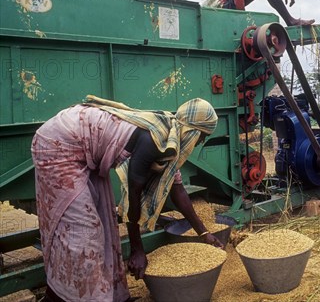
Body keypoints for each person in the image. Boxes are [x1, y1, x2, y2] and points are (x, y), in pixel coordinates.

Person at [31, 95, 223, 302]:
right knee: (84, 232)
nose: (200, 142)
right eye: (202, 137)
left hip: (86, 150)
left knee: (106, 225)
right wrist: (137, 250)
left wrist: (203, 233)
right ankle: (64, 297)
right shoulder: (153, 140)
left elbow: (178, 191)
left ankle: (111, 295)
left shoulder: (171, 137)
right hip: (60, 144)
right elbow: (132, 198)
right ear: (193, 131)